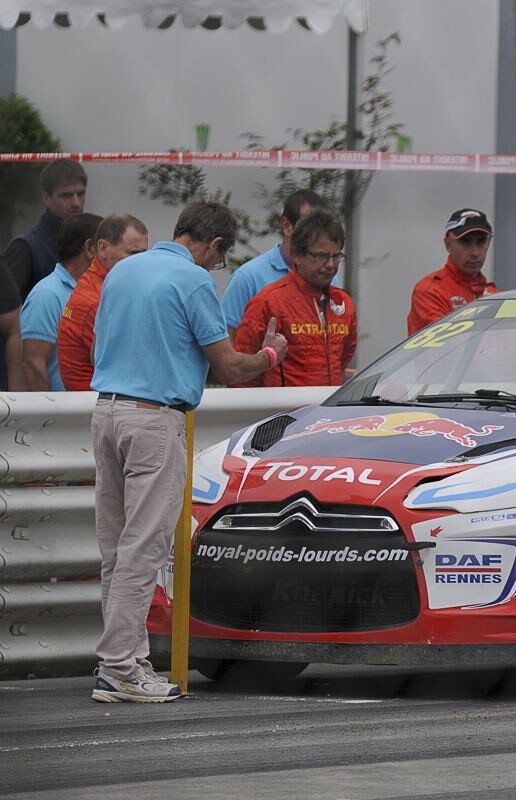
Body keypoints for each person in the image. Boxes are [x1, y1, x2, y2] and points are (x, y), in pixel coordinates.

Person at [89, 201, 288, 703]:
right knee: (145, 547)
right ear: (216, 245)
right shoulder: (194, 280)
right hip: (154, 416)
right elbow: (228, 368)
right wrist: (270, 355)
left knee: (116, 548)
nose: (214, 268)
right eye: (219, 259)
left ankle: (126, 661)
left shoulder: (122, 269)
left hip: (106, 410)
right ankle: (119, 666)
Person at [233, 209, 356, 386]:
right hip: (284, 411)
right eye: (321, 256)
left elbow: (344, 358)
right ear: (297, 256)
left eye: (336, 256)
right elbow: (242, 373)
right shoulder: (268, 302)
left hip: (328, 410)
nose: (330, 264)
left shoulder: (343, 303)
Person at [0, 158, 88, 390]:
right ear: (46, 198)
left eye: (81, 194)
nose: (76, 202)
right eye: (66, 195)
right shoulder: (26, 246)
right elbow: (9, 323)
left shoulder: (88, 238)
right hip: (33, 380)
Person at [57, 214, 150, 391]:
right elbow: (129, 362)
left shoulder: (96, 286)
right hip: (98, 404)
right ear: (103, 248)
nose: (141, 261)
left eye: (145, 254)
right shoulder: (98, 300)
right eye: (133, 253)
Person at [221, 189, 330, 339]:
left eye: (322, 228)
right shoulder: (247, 278)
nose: (317, 236)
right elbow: (227, 344)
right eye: (309, 227)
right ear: (286, 226)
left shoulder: (327, 276)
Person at [19, 212, 102, 391]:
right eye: (104, 246)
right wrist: (52, 416)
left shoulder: (96, 291)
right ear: (89, 248)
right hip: (64, 415)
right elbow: (33, 364)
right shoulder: (47, 294)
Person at [407, 208, 498, 335]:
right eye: (465, 242)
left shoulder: (493, 294)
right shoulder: (430, 290)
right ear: (447, 243)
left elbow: (514, 344)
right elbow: (448, 345)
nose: (475, 252)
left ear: (489, 243)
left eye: (481, 241)